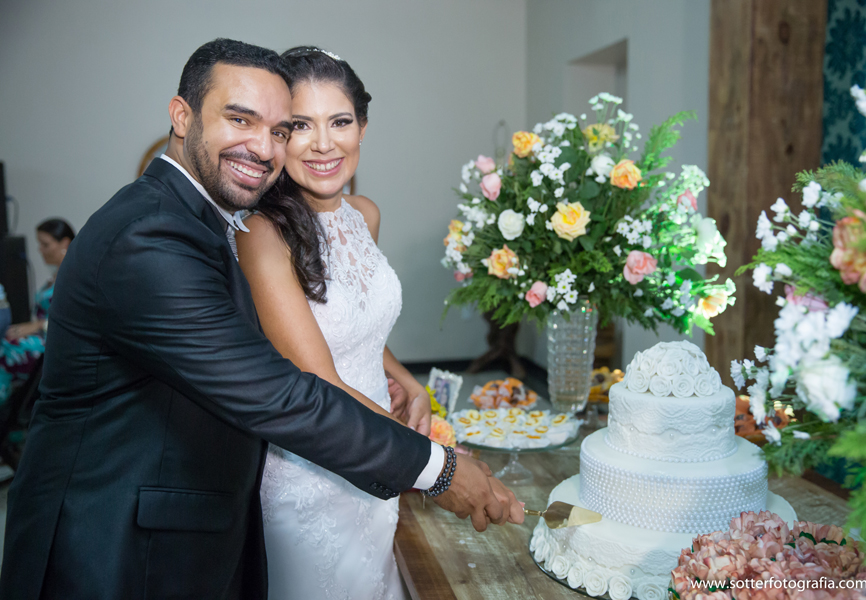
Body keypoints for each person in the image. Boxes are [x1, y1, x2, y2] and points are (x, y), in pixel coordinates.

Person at [0, 38, 522, 600]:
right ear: (182, 115)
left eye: (277, 129)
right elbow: (280, 393)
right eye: (240, 119)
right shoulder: (150, 235)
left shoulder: (200, 215)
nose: (264, 146)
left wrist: (393, 373)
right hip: (115, 543)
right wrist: (436, 469)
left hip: (191, 517)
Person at [236, 47, 431, 599]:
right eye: (300, 126)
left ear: (362, 128)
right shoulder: (261, 235)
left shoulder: (365, 214)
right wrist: (435, 466)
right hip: (308, 477)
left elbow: (359, 321)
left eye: (340, 122)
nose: (324, 144)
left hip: (378, 466)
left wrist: (408, 380)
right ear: (277, 135)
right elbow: (316, 375)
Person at [0, 219, 74, 401]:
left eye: (45, 244)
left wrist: (39, 325)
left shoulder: (74, 278)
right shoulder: (55, 278)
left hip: (56, 346)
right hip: (43, 341)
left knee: (6, 348)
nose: (40, 250)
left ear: (65, 243)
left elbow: (75, 319)